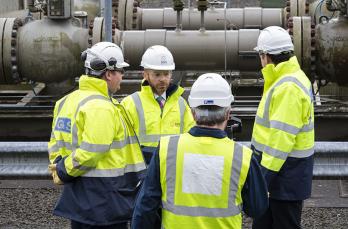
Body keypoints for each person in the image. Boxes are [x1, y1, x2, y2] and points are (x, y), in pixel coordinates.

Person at [131, 73, 268, 228]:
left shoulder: (166, 149)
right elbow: (257, 208)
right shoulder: (242, 156)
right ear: (228, 113)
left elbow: (145, 208)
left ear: (192, 112)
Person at [47, 42, 146, 229]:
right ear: (109, 74)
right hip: (105, 200)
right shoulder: (101, 107)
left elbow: (55, 143)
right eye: (120, 72)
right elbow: (91, 152)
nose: (122, 77)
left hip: (79, 198)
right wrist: (63, 170)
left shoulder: (65, 102)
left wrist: (59, 167)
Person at [251, 26, 315, 229]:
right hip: (283, 174)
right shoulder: (287, 78)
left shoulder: (287, 87)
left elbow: (281, 140)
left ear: (266, 55)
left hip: (283, 175)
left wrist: (262, 177)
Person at [121, 45, 195, 164]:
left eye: (166, 74)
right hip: (142, 173)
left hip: (172, 171)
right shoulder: (130, 104)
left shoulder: (181, 104)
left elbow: (191, 140)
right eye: (157, 74)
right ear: (145, 74)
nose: (163, 79)